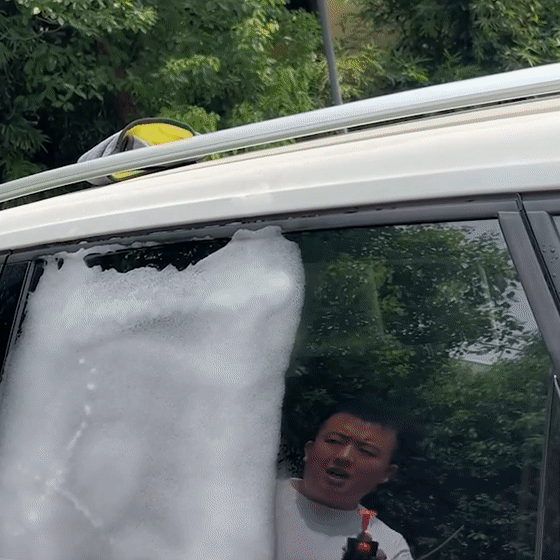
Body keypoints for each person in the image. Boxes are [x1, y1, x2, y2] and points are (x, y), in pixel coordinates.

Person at [275, 399, 416, 560]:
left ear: (386, 473)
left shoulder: (391, 546)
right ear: (309, 450)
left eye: (366, 451)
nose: (344, 456)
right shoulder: (256, 498)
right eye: (334, 441)